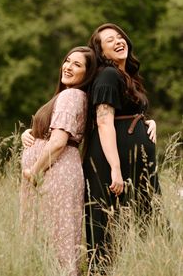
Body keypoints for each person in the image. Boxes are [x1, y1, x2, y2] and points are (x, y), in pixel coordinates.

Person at [83, 23, 161, 265]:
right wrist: (115, 168)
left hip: (135, 163)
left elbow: (125, 115)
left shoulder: (126, 76)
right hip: (111, 162)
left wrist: (147, 123)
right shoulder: (108, 74)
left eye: (120, 37)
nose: (118, 41)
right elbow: (104, 121)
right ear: (101, 53)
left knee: (146, 219)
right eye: (109, 40)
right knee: (105, 228)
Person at [20, 46, 97, 276]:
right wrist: (30, 133)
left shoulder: (71, 95)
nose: (68, 66)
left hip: (54, 174)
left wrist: (35, 171)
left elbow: (58, 142)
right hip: (58, 172)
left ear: (88, 74)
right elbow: (54, 134)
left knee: (54, 240)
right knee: (58, 236)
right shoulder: (72, 96)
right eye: (67, 61)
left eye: (77, 65)